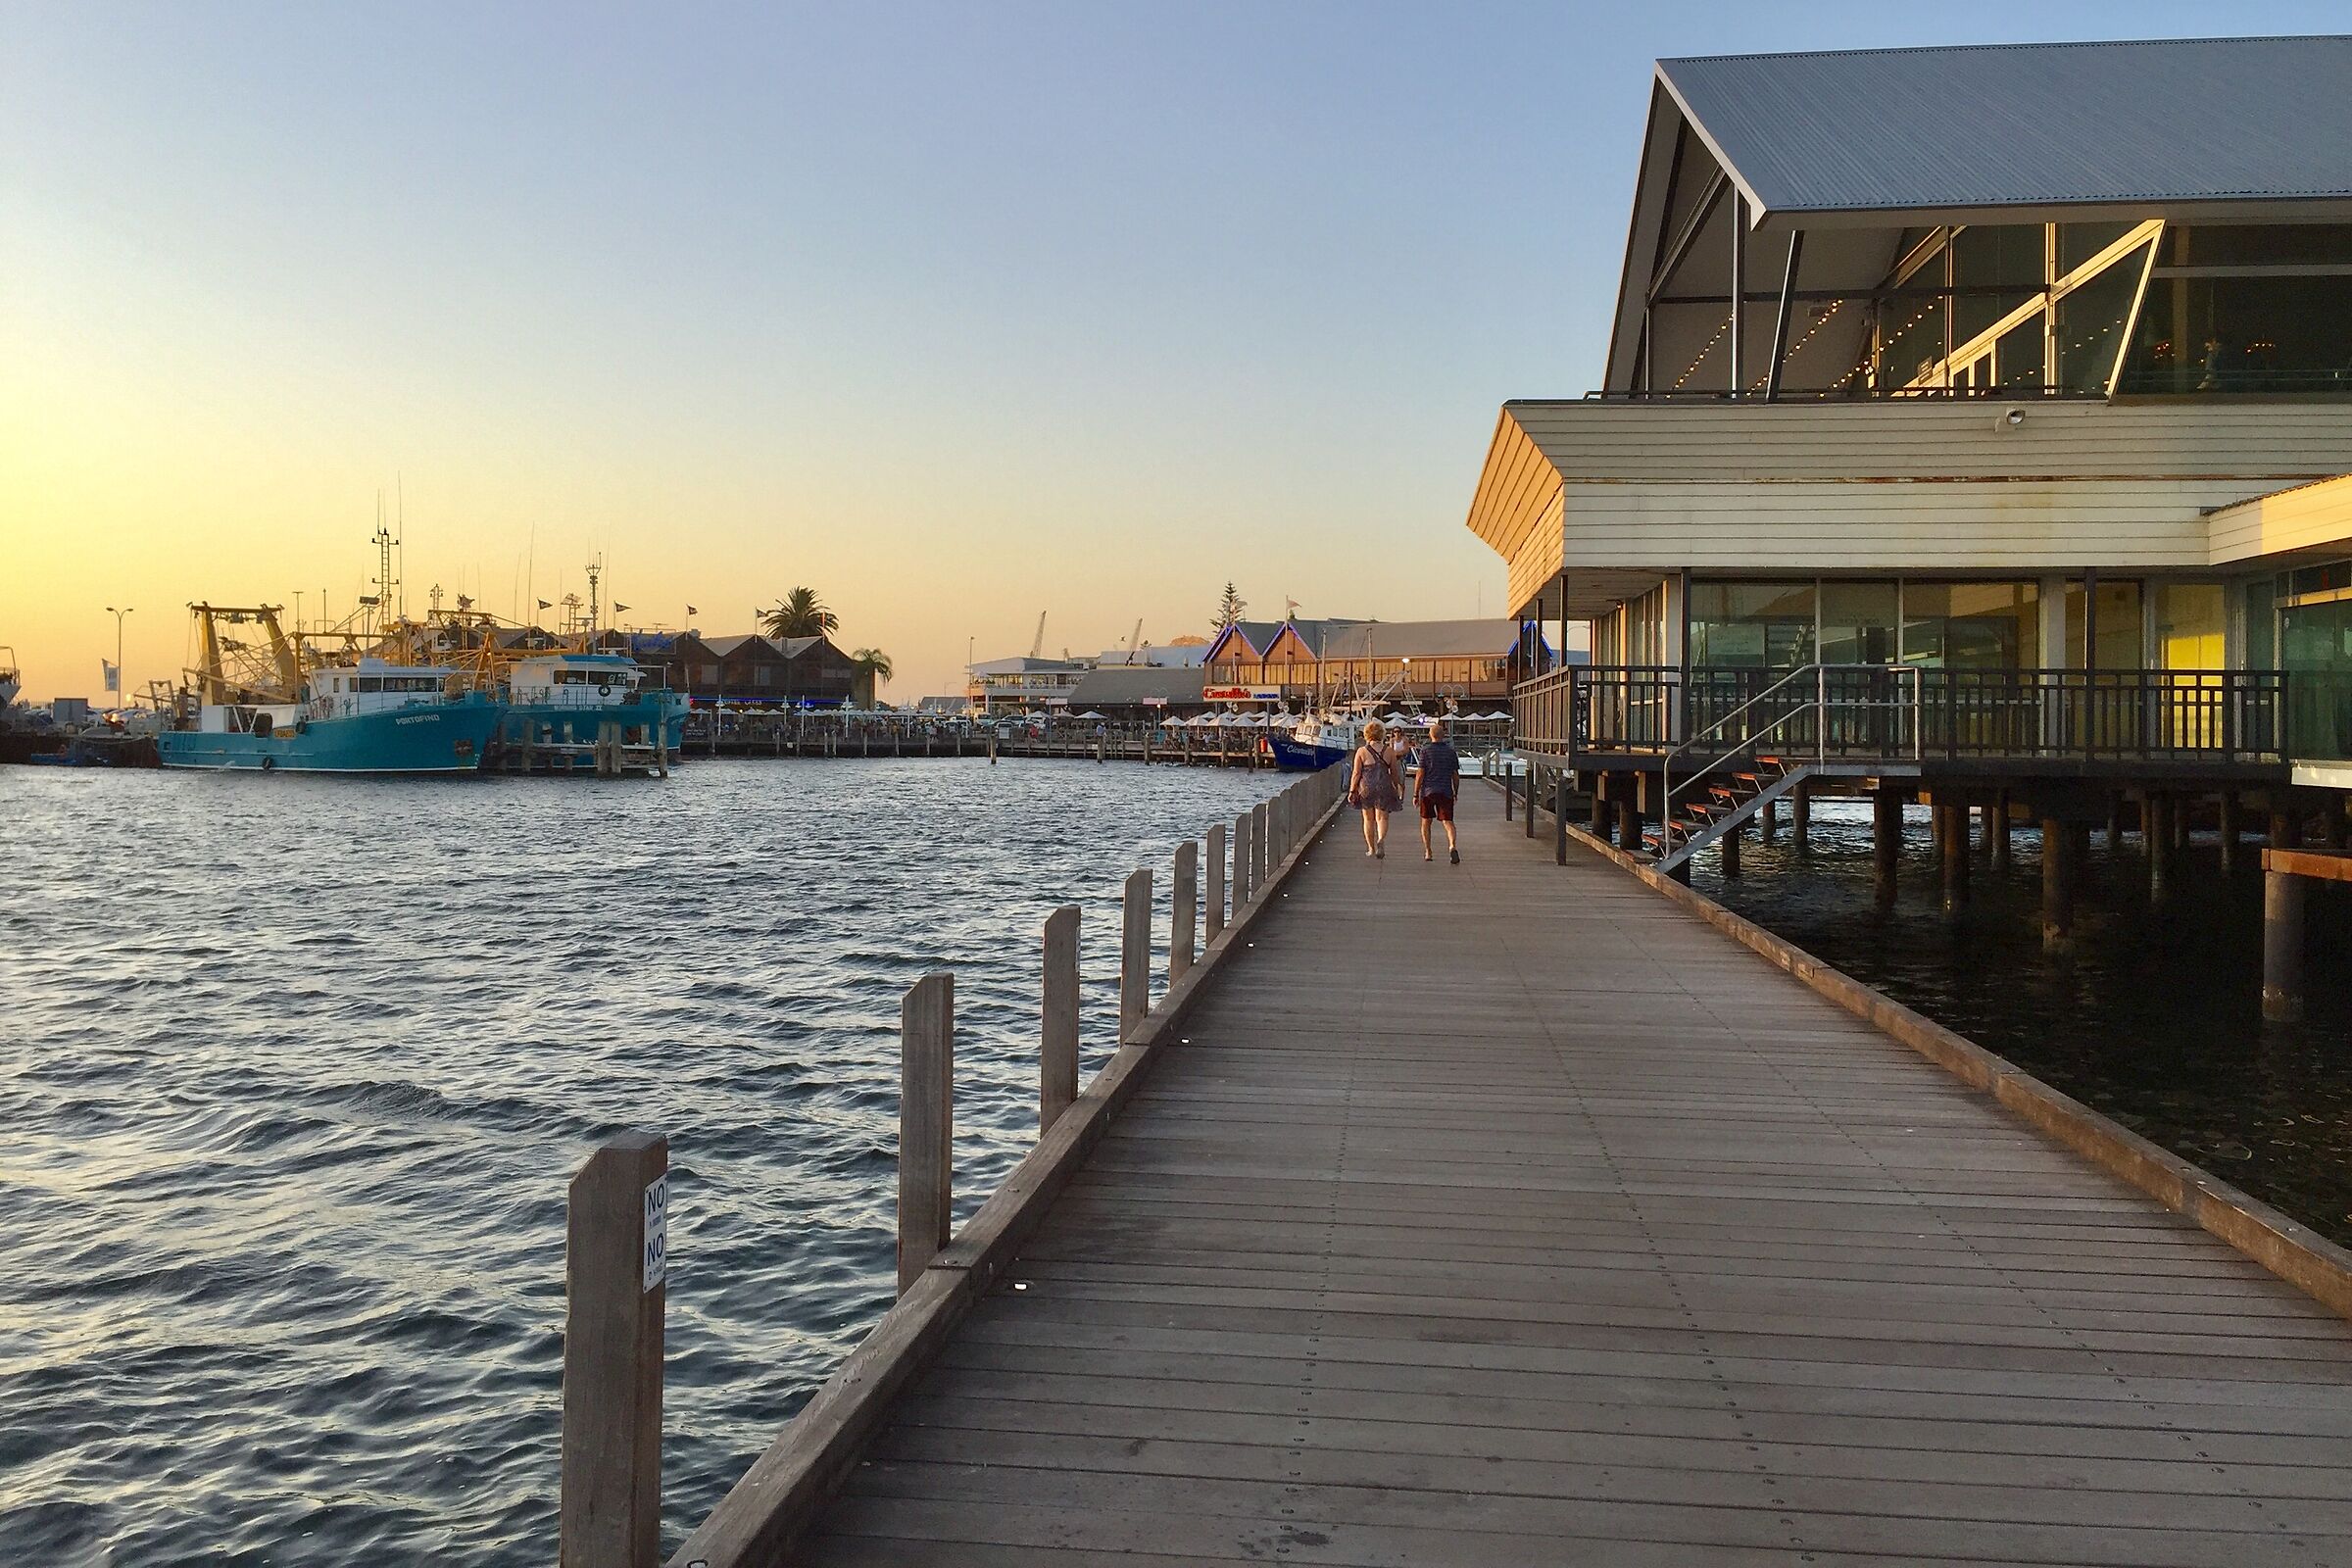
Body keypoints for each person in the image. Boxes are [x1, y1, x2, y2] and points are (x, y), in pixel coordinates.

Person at [1348, 718, 1403, 858]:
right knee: (1382, 817)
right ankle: (1381, 840)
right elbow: (1394, 773)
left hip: (1366, 787)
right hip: (1384, 785)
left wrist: (1352, 790)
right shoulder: (1389, 751)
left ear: (1367, 734)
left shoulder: (1362, 751)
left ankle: (1371, 848)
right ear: (1382, 734)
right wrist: (1396, 787)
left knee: (1367, 818)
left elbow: (1356, 773)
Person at [1412, 717, 1461, 863]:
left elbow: (1420, 773)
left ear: (1430, 735)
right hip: (1445, 790)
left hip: (1428, 791)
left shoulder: (1425, 751)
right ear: (1443, 736)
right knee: (1448, 822)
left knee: (1426, 822)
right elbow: (1455, 775)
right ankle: (1452, 846)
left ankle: (1428, 851)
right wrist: (1455, 791)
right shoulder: (1451, 752)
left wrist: (1415, 793)